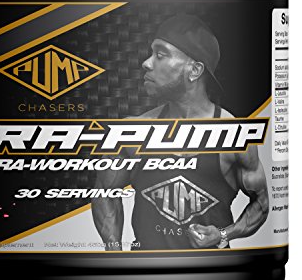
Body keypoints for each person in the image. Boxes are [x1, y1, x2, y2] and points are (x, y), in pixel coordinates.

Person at [91, 14, 269, 250]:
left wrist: (223, 235)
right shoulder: (135, 131)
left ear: (194, 70)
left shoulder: (233, 135)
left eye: (160, 55)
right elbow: (104, 192)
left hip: (213, 268)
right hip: (145, 266)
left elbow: (262, 203)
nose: (147, 63)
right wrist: (114, 251)